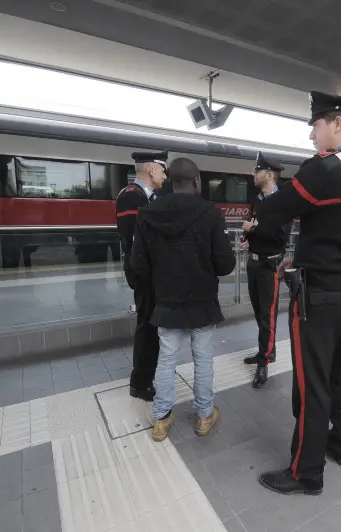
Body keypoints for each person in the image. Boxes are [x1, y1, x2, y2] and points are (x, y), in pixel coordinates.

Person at [254, 91, 341, 495]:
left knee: (313, 382)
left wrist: (263, 200)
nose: (312, 135)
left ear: (336, 124)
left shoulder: (324, 170)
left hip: (321, 292)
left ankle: (306, 471)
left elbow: (275, 208)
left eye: (315, 125)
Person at [129, 157, 236, 442]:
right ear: (197, 181)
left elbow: (137, 265)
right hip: (202, 301)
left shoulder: (147, 214)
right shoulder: (211, 213)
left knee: (166, 359)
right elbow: (225, 265)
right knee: (203, 358)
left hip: (166, 303)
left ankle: (161, 419)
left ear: (170, 181)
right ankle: (203, 416)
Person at [115, 150, 168, 402]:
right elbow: (137, 242)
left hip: (153, 271)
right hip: (144, 272)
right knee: (147, 328)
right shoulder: (131, 197)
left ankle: (147, 375)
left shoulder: (149, 196)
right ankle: (140, 383)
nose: (165, 175)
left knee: (151, 326)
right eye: (163, 170)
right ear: (151, 170)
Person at [240, 152, 291, 388]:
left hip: (270, 265)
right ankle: (266, 351)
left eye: (256, 170)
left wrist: (254, 230)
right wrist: (247, 238)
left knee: (267, 315)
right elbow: (254, 224)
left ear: (269, 174)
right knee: (259, 312)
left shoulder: (283, 201)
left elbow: (279, 236)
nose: (253, 173)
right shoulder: (258, 199)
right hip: (253, 262)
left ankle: (264, 362)